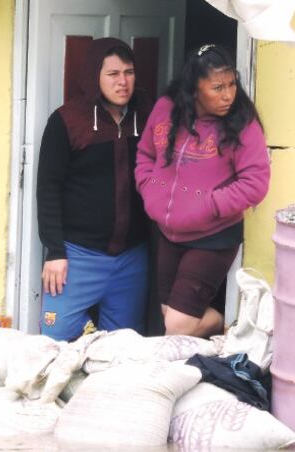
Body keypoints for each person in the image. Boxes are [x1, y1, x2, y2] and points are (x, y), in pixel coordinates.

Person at [135, 44, 270, 338]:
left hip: (213, 235)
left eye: (232, 84)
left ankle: (223, 328)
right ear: (195, 88)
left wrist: (209, 205)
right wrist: (149, 188)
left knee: (177, 325)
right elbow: (145, 154)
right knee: (169, 315)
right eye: (217, 87)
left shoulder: (243, 123)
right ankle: (218, 330)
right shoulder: (165, 110)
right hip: (168, 232)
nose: (228, 95)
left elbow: (256, 182)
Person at [37, 37, 153, 341]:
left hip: (131, 256)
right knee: (55, 336)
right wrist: (55, 251)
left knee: (123, 347)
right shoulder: (67, 121)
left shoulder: (149, 117)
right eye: (113, 74)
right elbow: (48, 187)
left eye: (128, 72)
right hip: (77, 255)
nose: (123, 82)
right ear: (94, 77)